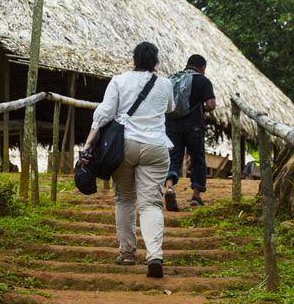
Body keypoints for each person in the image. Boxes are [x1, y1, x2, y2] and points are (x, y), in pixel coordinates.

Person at [83, 41, 174, 278]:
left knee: (124, 198)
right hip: (155, 146)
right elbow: (170, 108)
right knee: (151, 204)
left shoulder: (119, 80)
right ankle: (154, 255)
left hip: (123, 145)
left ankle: (126, 253)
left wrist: (88, 143)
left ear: (134, 59)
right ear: (155, 62)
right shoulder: (165, 84)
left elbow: (104, 113)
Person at [164, 54, 216, 210]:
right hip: (194, 126)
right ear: (202, 68)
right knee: (198, 158)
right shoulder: (203, 81)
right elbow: (211, 104)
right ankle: (196, 197)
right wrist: (203, 107)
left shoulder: (172, 79)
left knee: (173, 158)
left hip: (172, 125)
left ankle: (169, 188)